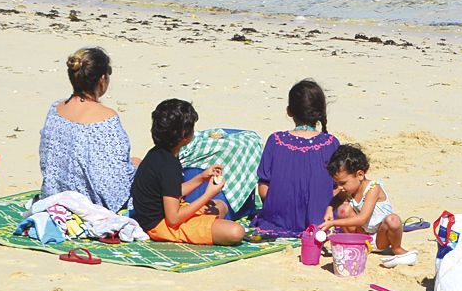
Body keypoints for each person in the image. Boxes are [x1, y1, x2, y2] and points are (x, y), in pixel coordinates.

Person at [132, 98, 246, 246]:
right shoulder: (169, 165)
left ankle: (210, 226)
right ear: (185, 136)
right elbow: (174, 218)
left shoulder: (158, 154)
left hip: (162, 214)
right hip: (160, 225)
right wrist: (208, 194)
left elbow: (171, 191)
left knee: (220, 206)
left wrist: (201, 177)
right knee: (236, 232)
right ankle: (209, 228)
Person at [37, 47, 135, 212]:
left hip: (54, 195)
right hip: (87, 203)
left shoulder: (56, 108)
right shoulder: (106, 119)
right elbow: (114, 185)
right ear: (102, 79)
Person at [249, 79, 340, 237]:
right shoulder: (331, 143)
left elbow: (263, 188)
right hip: (322, 219)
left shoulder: (275, 140)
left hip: (279, 220)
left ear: (289, 111)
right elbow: (338, 187)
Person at [325, 144, 415, 267]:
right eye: (337, 183)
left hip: (381, 237)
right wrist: (329, 210)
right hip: (362, 236)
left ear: (360, 175)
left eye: (343, 183)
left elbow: (362, 218)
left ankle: (397, 248)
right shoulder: (349, 189)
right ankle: (355, 244)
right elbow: (337, 200)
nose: (339, 187)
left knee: (393, 220)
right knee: (343, 210)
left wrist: (333, 223)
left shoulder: (373, 189)